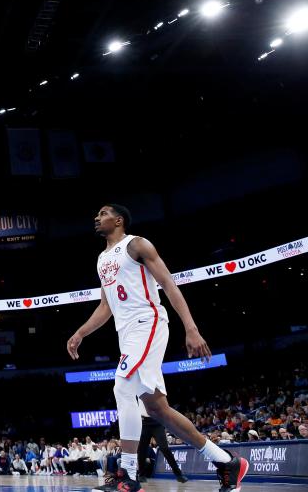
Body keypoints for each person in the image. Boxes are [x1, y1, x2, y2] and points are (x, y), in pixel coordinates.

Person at [67, 204, 248, 492]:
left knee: (122, 386)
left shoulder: (137, 244)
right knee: (157, 409)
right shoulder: (102, 259)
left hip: (147, 322)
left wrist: (191, 327)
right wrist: (80, 332)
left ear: (118, 219)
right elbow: (106, 306)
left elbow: (168, 283)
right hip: (126, 333)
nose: (96, 218)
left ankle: (127, 475)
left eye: (102, 213)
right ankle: (227, 462)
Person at [137, 397, 188, 483]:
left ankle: (179, 475)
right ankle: (141, 475)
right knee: (142, 450)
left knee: (164, 448)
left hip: (157, 422)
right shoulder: (137, 387)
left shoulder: (155, 387)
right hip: (144, 423)